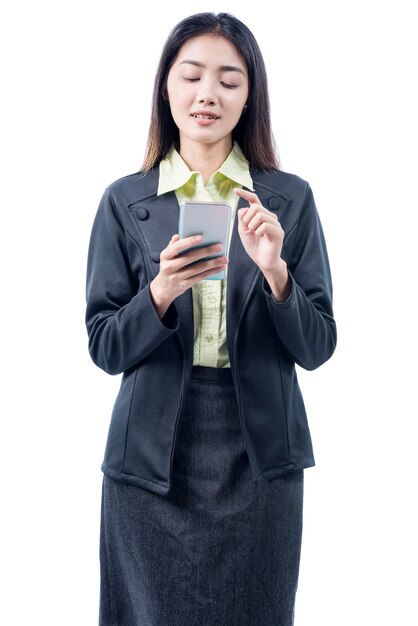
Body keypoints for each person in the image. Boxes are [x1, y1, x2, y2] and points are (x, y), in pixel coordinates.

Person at [85, 11, 336, 626]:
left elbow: (319, 345)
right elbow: (105, 346)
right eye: (191, 75)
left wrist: (277, 273)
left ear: (250, 96)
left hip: (260, 455)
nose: (207, 94)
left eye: (229, 79)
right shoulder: (125, 200)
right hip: (150, 460)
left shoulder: (288, 198)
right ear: (165, 88)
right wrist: (160, 293)